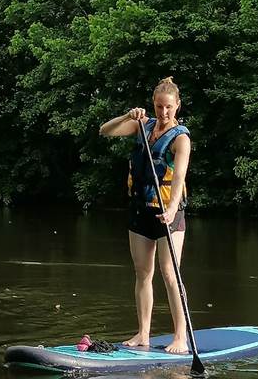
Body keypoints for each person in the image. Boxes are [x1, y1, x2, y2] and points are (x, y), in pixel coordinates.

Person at [100, 76, 192, 355]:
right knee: (143, 273)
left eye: (168, 107)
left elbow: (179, 179)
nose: (162, 113)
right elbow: (105, 131)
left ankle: (180, 338)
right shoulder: (143, 125)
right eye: (158, 106)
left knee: (169, 274)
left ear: (177, 106)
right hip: (140, 210)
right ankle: (143, 334)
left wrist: (173, 207)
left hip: (168, 215)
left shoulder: (181, 138)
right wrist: (127, 115)